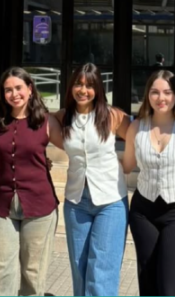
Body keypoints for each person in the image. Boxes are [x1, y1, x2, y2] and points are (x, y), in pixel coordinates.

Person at [122, 70, 175, 296]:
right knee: (148, 284)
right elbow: (126, 166)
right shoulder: (136, 127)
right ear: (147, 95)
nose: (161, 98)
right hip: (143, 212)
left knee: (170, 288)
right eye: (155, 92)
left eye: (167, 92)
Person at [51, 63, 130, 297]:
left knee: (102, 270)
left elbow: (139, 135)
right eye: (78, 84)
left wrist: (128, 164)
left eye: (89, 85)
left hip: (111, 201)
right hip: (76, 202)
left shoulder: (112, 115)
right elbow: (39, 123)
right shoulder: (63, 117)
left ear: (98, 89)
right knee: (80, 267)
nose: (83, 90)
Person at [0, 67, 60, 297]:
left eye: (18, 88)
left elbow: (74, 149)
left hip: (39, 204)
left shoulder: (47, 121)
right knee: (0, 272)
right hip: (2, 204)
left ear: (29, 89)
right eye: (8, 90)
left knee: (33, 273)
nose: (14, 94)